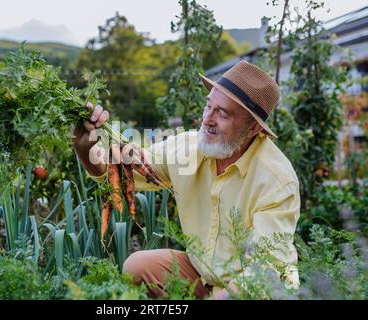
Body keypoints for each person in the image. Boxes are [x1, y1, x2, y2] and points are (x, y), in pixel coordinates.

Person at [72, 60, 300, 299]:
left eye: (222, 113)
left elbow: (265, 270)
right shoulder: (189, 148)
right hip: (205, 275)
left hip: (254, 289)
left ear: (253, 128)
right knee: (137, 267)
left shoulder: (276, 180)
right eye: (208, 106)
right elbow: (124, 174)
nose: (207, 119)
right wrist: (84, 149)